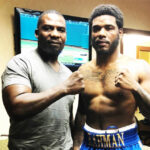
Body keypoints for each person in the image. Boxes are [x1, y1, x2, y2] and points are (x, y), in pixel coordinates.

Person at [1, 10, 84, 150]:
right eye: (47, 28)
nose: (55, 34)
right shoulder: (20, 63)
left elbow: (66, 118)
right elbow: (17, 107)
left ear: (65, 36)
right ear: (36, 33)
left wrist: (75, 146)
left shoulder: (67, 74)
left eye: (61, 30)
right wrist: (64, 88)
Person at [73, 4, 150, 150]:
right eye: (96, 29)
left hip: (125, 143)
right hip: (89, 143)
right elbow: (82, 112)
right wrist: (76, 145)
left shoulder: (139, 67)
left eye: (108, 28)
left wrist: (136, 88)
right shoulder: (83, 70)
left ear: (120, 33)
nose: (101, 33)